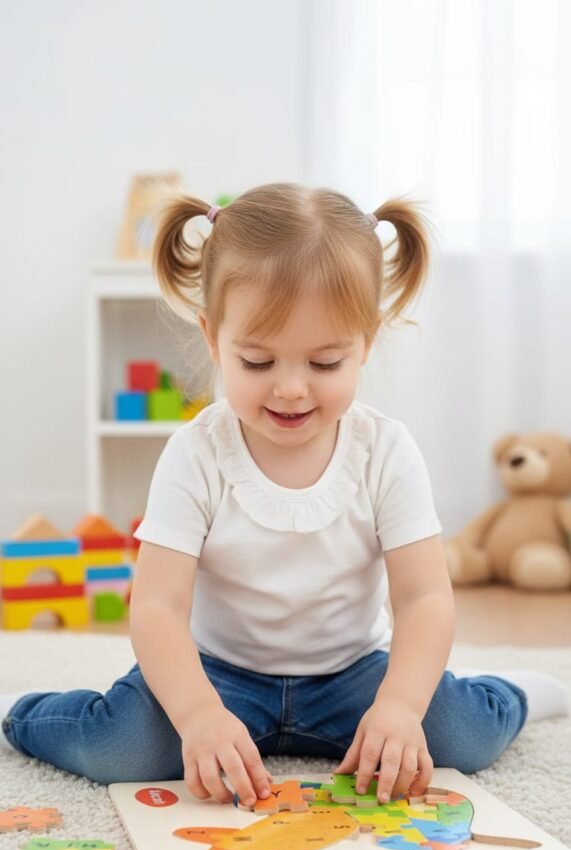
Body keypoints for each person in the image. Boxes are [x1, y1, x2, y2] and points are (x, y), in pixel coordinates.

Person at [1, 183, 567, 806]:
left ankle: (516, 690)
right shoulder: (196, 452)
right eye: (258, 362)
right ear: (215, 340)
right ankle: (18, 715)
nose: (292, 389)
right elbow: (157, 606)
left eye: (325, 364)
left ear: (366, 343)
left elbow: (424, 596)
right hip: (218, 676)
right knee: (124, 749)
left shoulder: (387, 449)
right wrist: (196, 717)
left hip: (352, 676)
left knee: (463, 737)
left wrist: (402, 706)